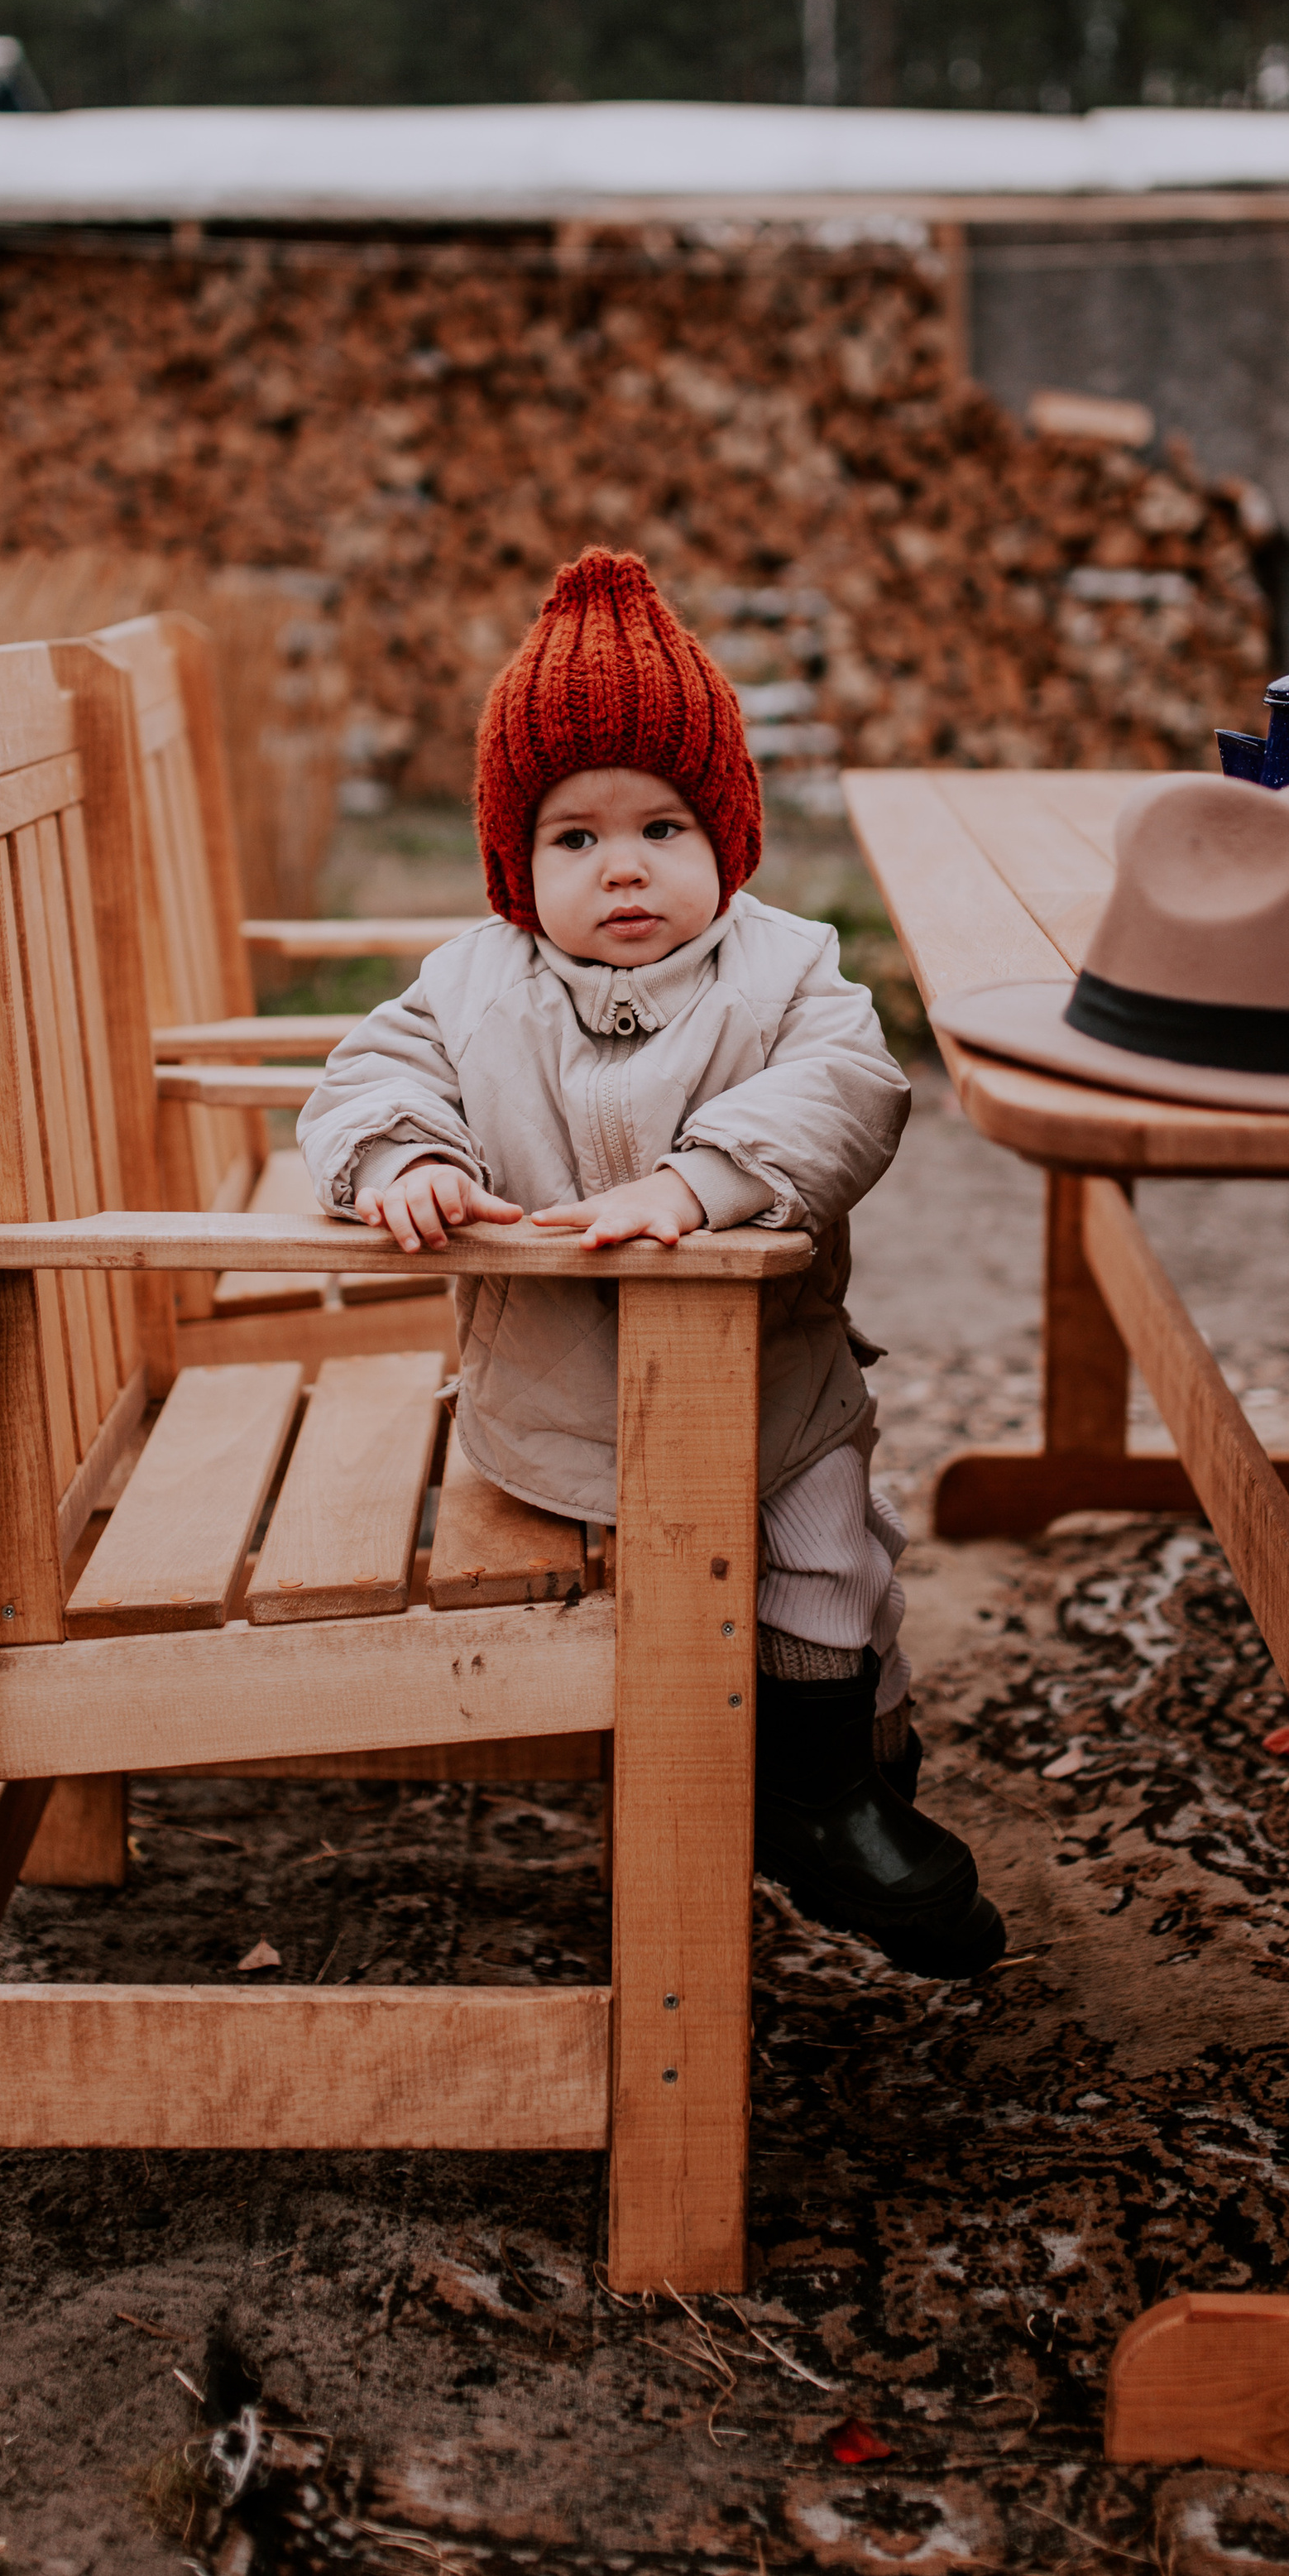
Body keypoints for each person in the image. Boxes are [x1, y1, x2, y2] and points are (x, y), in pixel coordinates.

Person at [297, 548, 1004, 1979]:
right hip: (554, 1405)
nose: (622, 867)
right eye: (573, 839)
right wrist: (406, 1160)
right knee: (701, 1596)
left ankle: (823, 1791)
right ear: (516, 867)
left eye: (663, 827)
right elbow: (365, 1073)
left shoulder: (793, 972)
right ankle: (786, 1780)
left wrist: (701, 1181)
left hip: (773, 1385)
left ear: (725, 840)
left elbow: (852, 1091)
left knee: (828, 1567)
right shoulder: (472, 984)